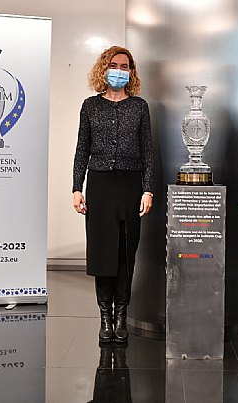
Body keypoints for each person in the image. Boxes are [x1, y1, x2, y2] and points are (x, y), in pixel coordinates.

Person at [72, 46, 154, 345]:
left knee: (125, 254)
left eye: (126, 66)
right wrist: (76, 188)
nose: (120, 70)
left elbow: (147, 151)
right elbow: (82, 148)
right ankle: (104, 317)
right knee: (102, 252)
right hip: (101, 184)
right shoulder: (90, 106)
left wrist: (148, 189)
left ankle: (122, 316)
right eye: (114, 65)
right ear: (103, 68)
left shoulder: (139, 106)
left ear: (131, 72)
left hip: (130, 185)